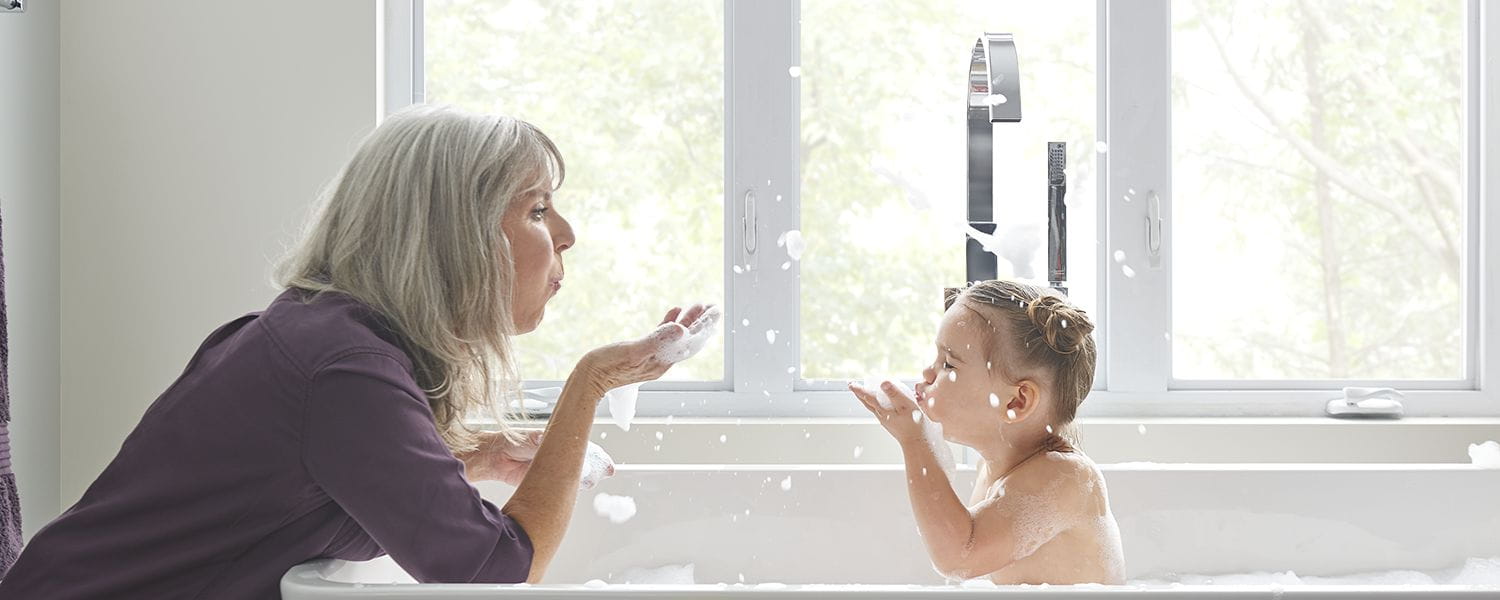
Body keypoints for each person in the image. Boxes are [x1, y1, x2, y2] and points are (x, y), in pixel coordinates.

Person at [0, 104, 715, 599]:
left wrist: (467, 461)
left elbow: (294, 487)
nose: (566, 232)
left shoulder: (326, 339)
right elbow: (497, 572)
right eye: (535, 208)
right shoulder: (346, 370)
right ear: (453, 236)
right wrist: (590, 383)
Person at [849, 279, 1124, 585]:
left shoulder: (1066, 477)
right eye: (937, 358)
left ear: (1017, 401)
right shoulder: (994, 470)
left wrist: (915, 441)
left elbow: (959, 557)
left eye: (949, 364)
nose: (928, 372)